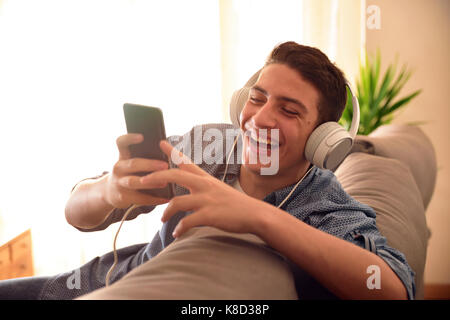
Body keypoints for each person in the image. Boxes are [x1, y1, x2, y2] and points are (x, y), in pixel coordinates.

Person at [0, 41, 415, 300]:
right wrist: (110, 190)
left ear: (322, 139)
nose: (260, 119)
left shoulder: (320, 199)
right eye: (257, 97)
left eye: (288, 110)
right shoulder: (208, 145)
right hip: (96, 281)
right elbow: (75, 214)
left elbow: (392, 288)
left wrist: (257, 216)